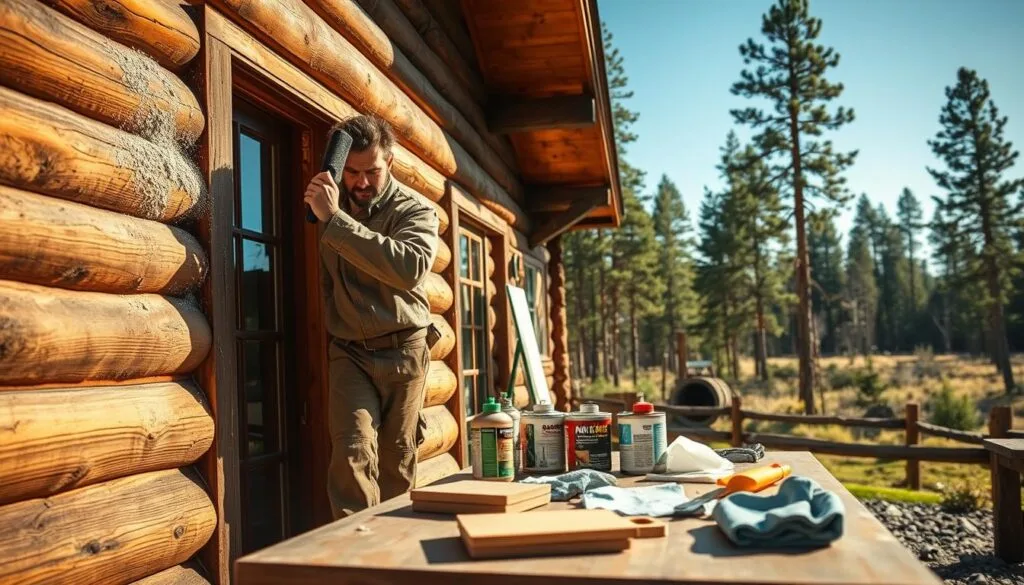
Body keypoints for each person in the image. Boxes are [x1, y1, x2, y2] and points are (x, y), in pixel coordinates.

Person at [303, 114, 440, 519]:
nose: (361, 183)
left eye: (372, 172)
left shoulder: (416, 211)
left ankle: (394, 561)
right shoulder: (327, 205)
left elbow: (410, 266)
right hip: (351, 354)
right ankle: (355, 561)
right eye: (352, 173)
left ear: (391, 163)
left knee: (398, 461)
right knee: (351, 453)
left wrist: (336, 220)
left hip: (405, 350)